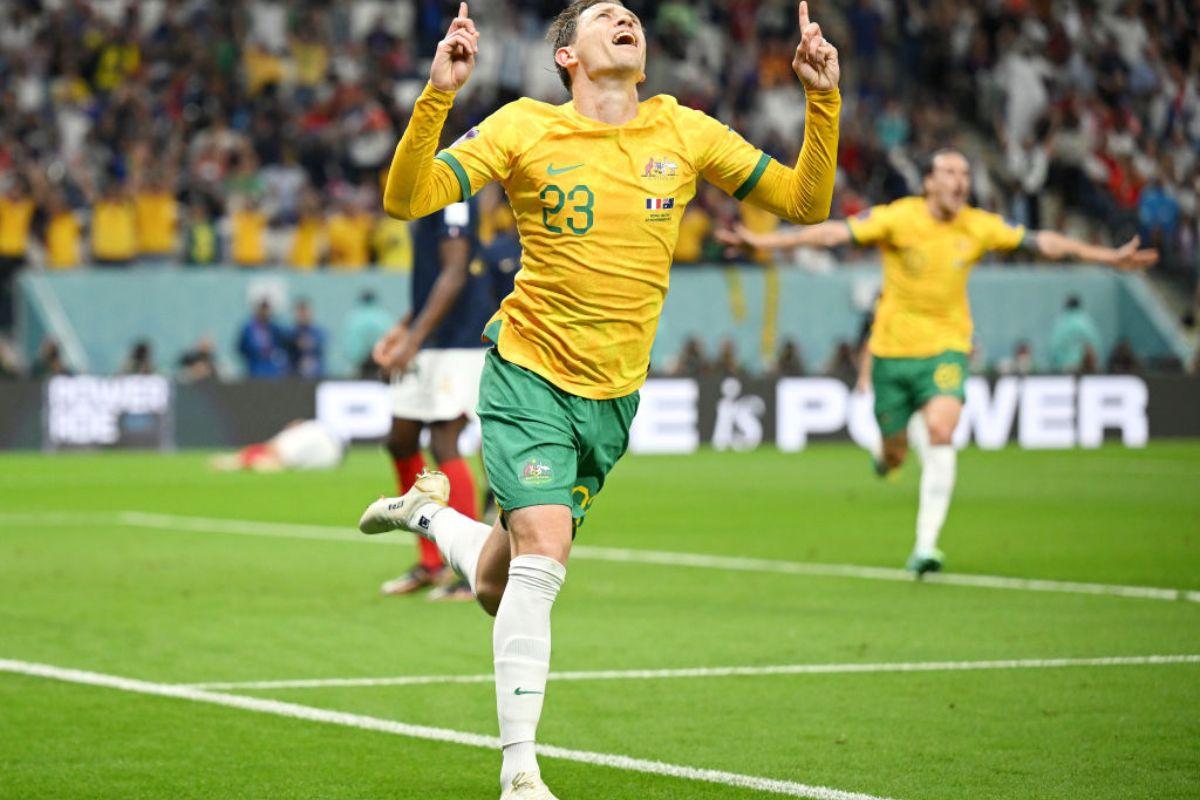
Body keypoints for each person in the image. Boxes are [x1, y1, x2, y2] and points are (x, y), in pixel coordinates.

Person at [357, 3, 841, 798]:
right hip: (528, 373)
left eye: (632, 17)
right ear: (566, 57)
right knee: (544, 556)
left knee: (498, 582)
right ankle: (520, 775)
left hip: (614, 397)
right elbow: (408, 198)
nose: (626, 20)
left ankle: (428, 515)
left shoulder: (684, 131)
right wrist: (437, 94)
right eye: (605, 17)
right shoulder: (521, 127)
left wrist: (823, 103)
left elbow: (804, 203)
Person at [718, 148, 1158, 577]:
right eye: (948, 172)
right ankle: (886, 455)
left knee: (941, 431)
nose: (959, 180)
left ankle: (925, 545)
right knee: (895, 454)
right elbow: (833, 233)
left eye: (964, 173)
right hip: (891, 354)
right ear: (928, 181)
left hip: (946, 349)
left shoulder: (978, 226)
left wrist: (1108, 257)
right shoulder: (898, 217)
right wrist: (766, 242)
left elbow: (1043, 242)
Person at [371, 196, 488, 602]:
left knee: (443, 440)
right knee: (400, 440)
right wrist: (402, 328)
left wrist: (413, 340)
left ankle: (474, 567)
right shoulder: (424, 200)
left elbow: (456, 273)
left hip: (456, 344)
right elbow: (432, 279)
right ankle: (431, 563)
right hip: (430, 337)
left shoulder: (455, 195)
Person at [210, 419, 345, 472]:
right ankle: (234, 461)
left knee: (276, 454)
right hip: (333, 454)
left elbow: (278, 457)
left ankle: (233, 462)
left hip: (328, 449)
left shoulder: (291, 441)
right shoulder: (308, 430)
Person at [1048, 295, 1103, 374]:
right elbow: (1095, 345)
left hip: (1065, 366)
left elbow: (1054, 347)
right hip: (1086, 367)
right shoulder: (1087, 323)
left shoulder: (1061, 323)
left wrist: (1056, 364)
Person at [236, 299, 289, 379]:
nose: (264, 312)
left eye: (266, 309)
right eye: (262, 308)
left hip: (273, 372)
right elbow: (241, 348)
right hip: (255, 370)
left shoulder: (274, 328)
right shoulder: (249, 329)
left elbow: (285, 343)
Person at [286, 299, 326, 379]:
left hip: (316, 376)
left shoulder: (318, 332)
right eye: (300, 312)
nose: (303, 315)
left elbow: (316, 344)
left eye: (305, 311)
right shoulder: (290, 332)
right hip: (295, 376)